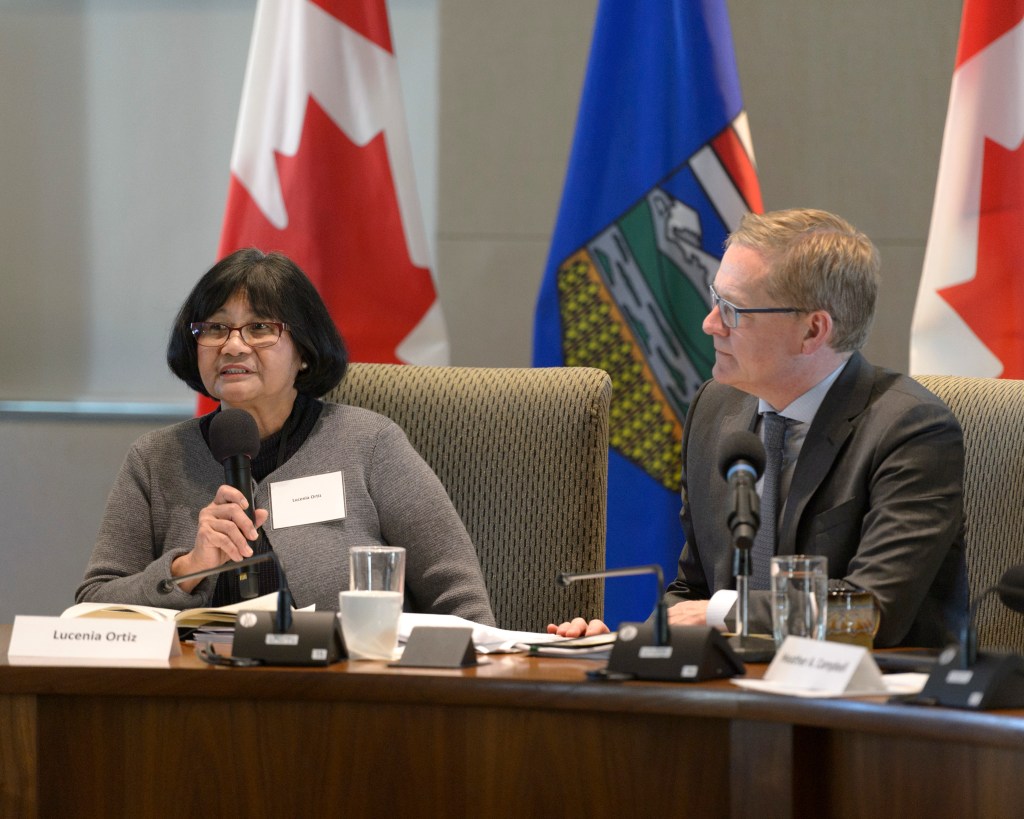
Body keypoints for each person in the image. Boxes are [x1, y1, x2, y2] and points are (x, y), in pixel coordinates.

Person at [550, 208, 967, 648]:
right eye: (715, 299)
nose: (710, 323)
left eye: (733, 310)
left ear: (812, 331)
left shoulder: (910, 429)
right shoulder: (716, 407)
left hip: (867, 685)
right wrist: (626, 641)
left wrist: (724, 612)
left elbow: (871, 610)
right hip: (732, 678)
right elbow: (693, 590)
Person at [77, 248, 495, 625]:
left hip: (345, 677)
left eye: (259, 327)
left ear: (304, 352)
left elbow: (458, 597)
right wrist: (187, 569)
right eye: (215, 328)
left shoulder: (369, 444)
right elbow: (94, 604)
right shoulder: (155, 459)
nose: (233, 346)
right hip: (199, 679)